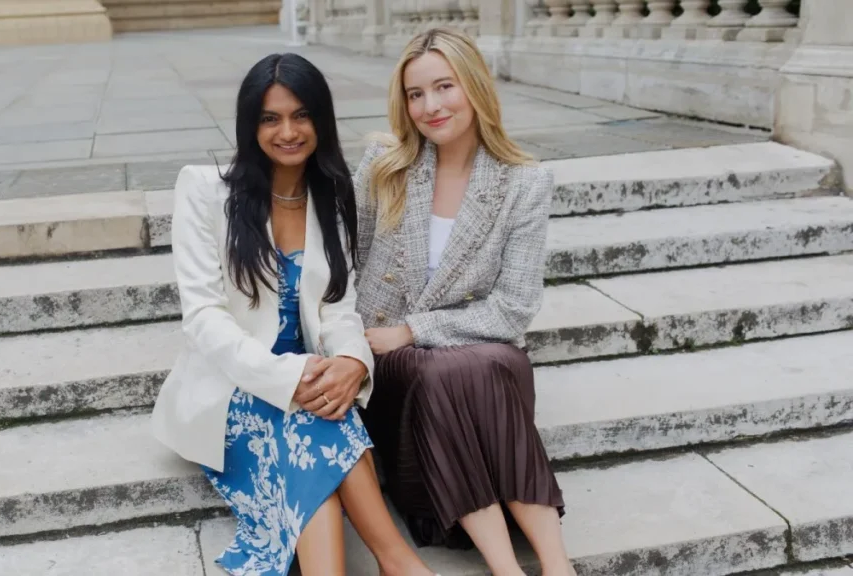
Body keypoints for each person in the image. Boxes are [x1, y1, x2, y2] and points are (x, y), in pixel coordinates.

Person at [150, 52, 438, 576]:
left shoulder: (330, 194)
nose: (288, 131)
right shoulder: (203, 189)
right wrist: (288, 376)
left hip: (312, 379)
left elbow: (338, 309)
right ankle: (399, 561)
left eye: (301, 115)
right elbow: (204, 316)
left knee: (320, 422)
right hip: (230, 383)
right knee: (318, 416)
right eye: (270, 118)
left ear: (321, 121)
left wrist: (352, 361)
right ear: (249, 124)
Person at [353, 28, 576, 576]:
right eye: (415, 93)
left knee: (478, 365)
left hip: (471, 352)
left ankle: (556, 565)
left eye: (444, 87)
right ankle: (509, 568)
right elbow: (344, 262)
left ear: (473, 86)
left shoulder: (524, 183)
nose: (431, 106)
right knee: (450, 374)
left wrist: (414, 329)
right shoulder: (386, 166)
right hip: (394, 366)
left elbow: (513, 310)